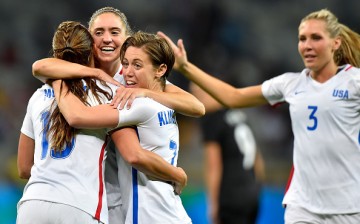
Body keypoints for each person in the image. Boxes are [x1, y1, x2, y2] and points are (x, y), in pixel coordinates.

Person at [158, 8, 360, 224]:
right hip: (302, 205)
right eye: (302, 39)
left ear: (335, 43)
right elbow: (233, 97)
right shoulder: (290, 83)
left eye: (316, 38)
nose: (307, 45)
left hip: (345, 204)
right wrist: (186, 67)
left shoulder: (353, 82)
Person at [31, 6, 205, 223]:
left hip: (134, 202)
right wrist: (94, 72)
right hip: (103, 202)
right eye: (99, 32)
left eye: (114, 32)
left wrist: (145, 93)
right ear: (88, 40)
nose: (106, 39)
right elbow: (40, 66)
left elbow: (196, 106)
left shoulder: (136, 80)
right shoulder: (80, 78)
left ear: (126, 38)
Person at [17, 20, 112, 224]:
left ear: (55, 53)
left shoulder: (38, 97)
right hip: (81, 206)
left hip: (33, 205)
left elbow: (24, 167)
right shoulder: (106, 94)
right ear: (91, 51)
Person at [191, 84, 265, 224]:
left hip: (230, 196)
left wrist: (213, 204)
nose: (196, 99)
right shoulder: (239, 115)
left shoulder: (212, 120)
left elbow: (213, 166)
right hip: (251, 194)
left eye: (199, 94)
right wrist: (256, 189)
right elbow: (258, 159)